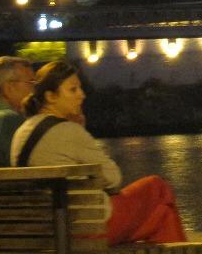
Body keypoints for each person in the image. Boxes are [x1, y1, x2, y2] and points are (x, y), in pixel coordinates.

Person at [11, 60, 187, 246]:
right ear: (51, 96)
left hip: (46, 230)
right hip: (84, 229)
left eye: (80, 88)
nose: (82, 95)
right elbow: (114, 179)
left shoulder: (21, 133)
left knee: (162, 215)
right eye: (73, 90)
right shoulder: (68, 131)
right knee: (157, 186)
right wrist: (80, 130)